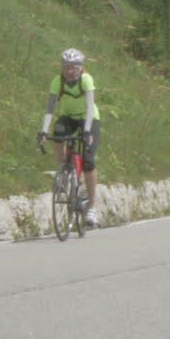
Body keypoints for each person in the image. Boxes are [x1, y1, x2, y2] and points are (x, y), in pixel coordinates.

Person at [39, 47, 101, 227]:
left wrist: (87, 131)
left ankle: (91, 207)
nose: (70, 71)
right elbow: (50, 109)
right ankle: (64, 171)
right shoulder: (57, 81)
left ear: (81, 67)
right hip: (68, 118)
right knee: (58, 133)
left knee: (88, 160)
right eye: (66, 67)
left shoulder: (86, 80)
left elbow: (90, 107)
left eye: (74, 67)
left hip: (89, 119)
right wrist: (43, 131)